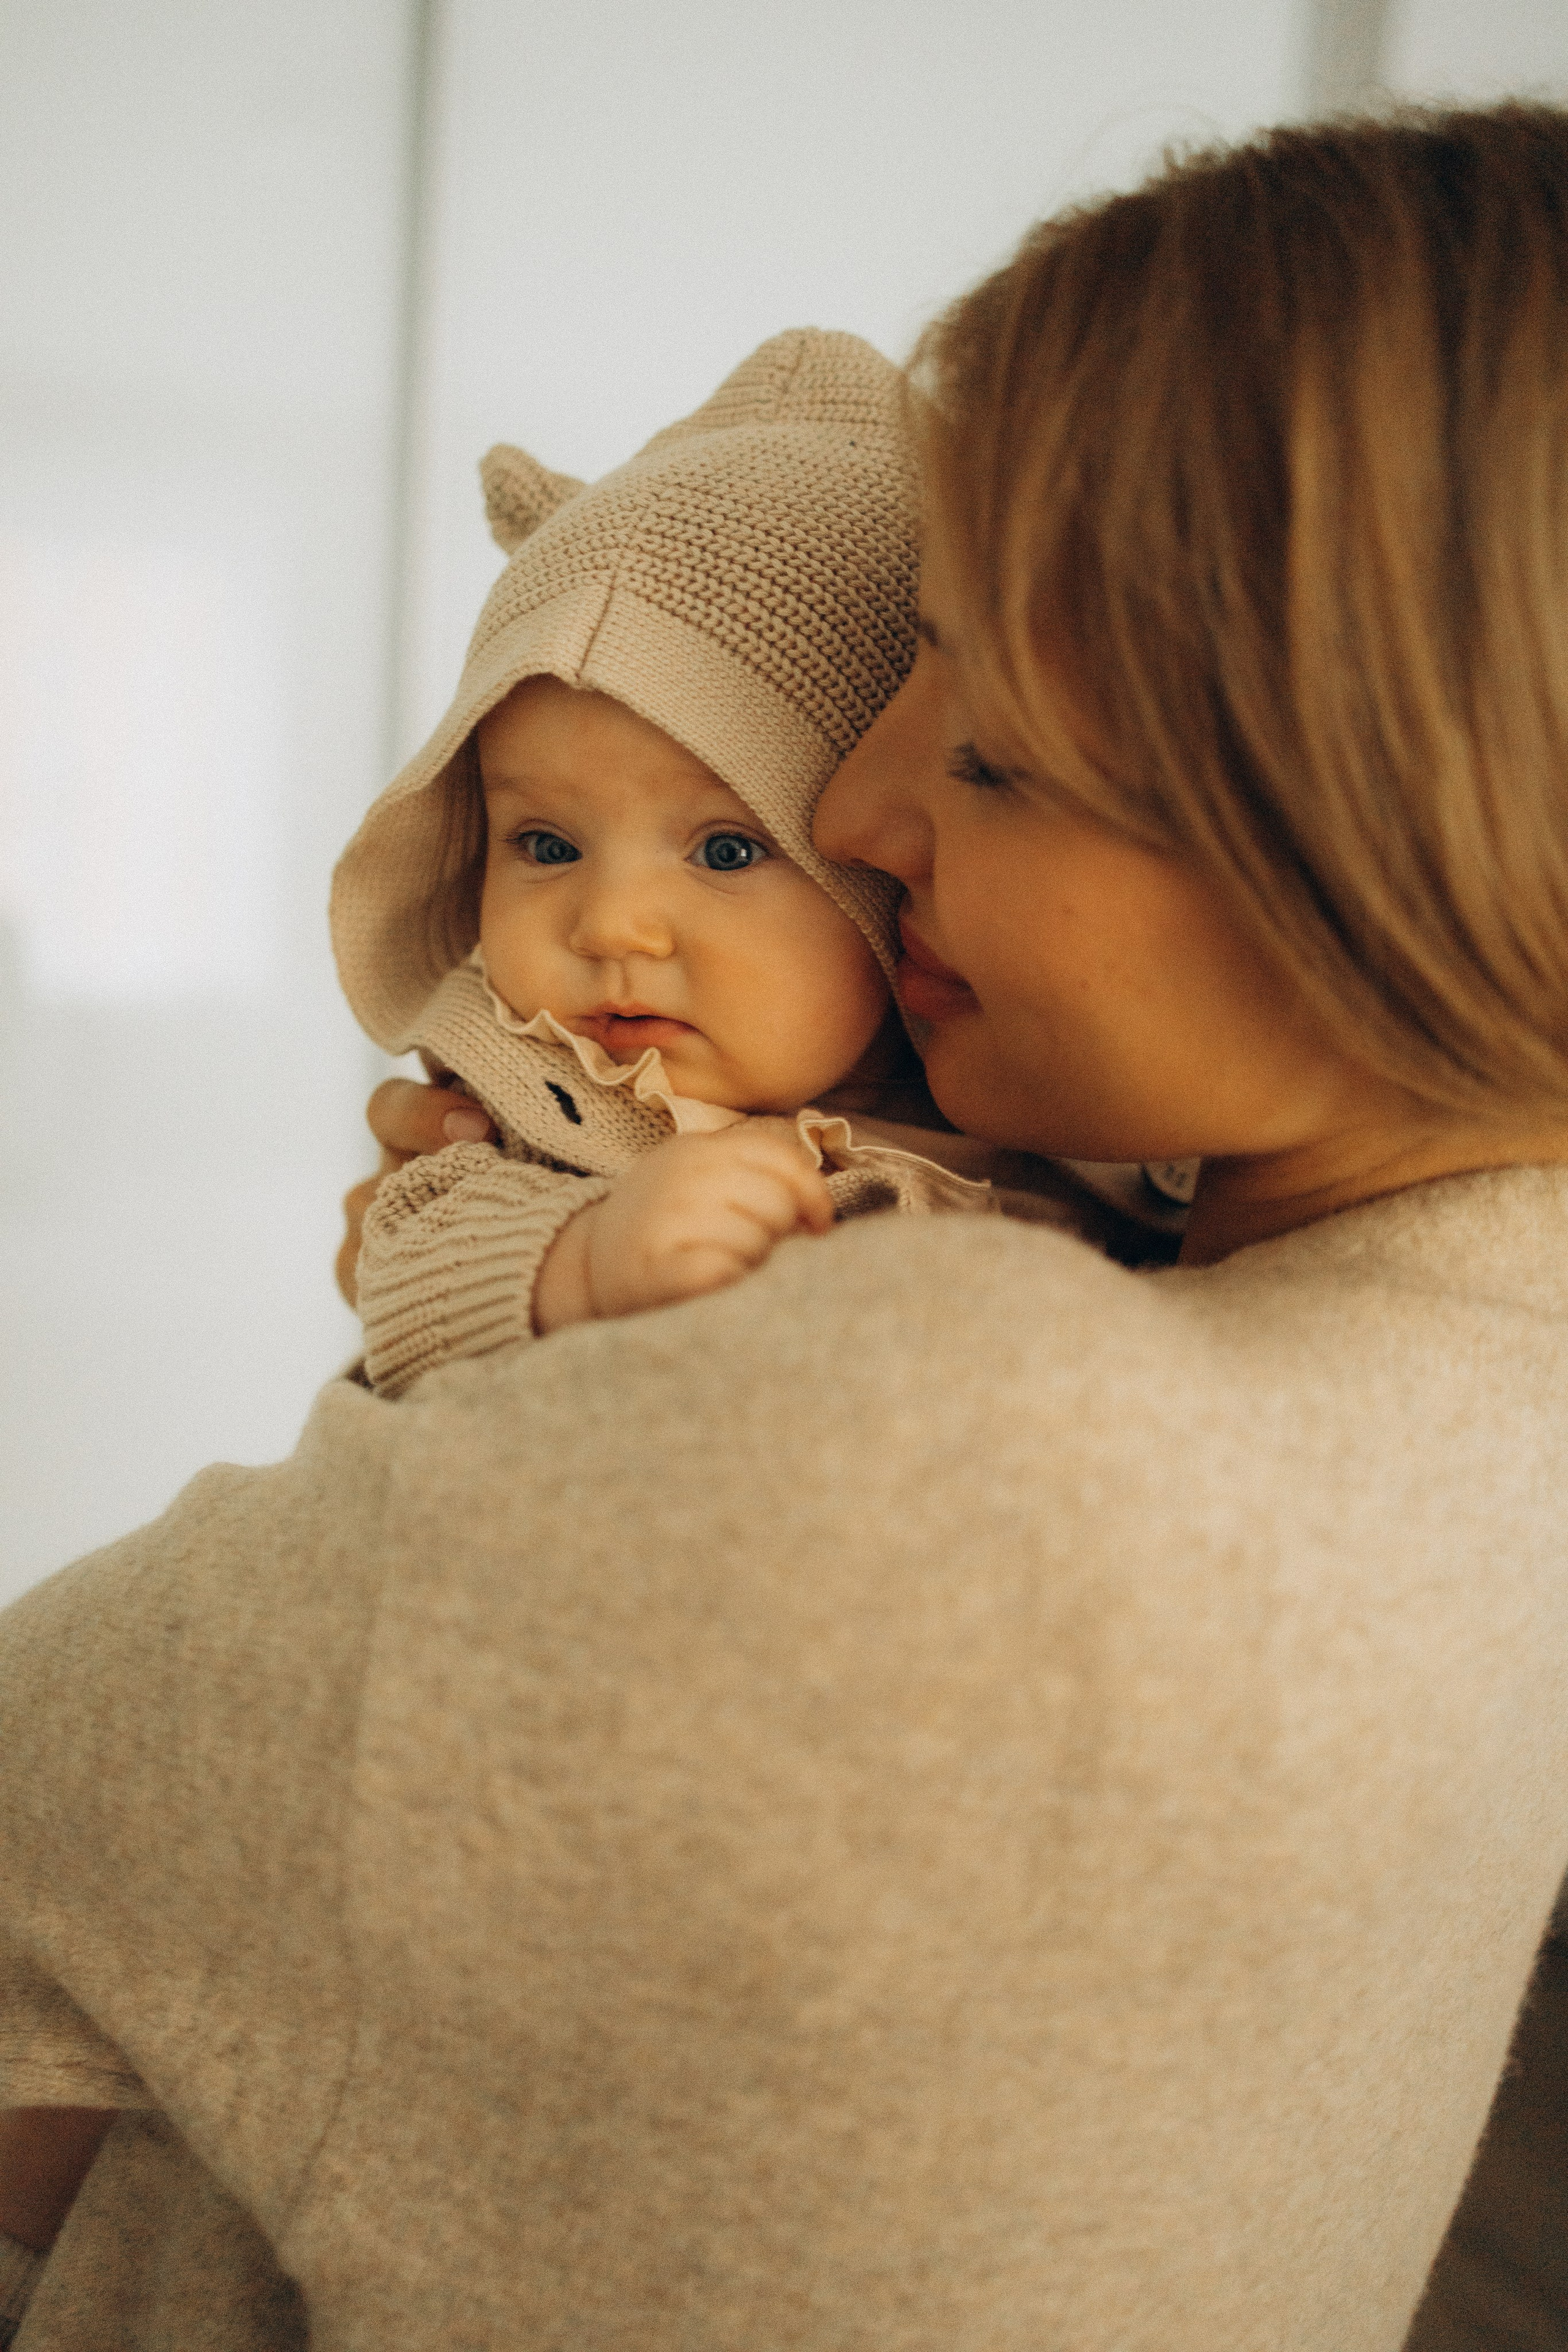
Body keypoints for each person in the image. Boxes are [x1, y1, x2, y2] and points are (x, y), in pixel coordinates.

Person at [5, 100, 1568, 2352]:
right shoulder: (1486, 1373)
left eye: (1000, 753)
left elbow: (51, 1797)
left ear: (1383, 847)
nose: (852, 807)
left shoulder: (922, 1423)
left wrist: (502, 1434)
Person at [331, 331, 1182, 1399]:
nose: (612, 927)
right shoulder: (537, 1108)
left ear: (883, 867)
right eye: (546, 845)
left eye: (728, 850)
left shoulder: (1068, 1105)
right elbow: (404, 1253)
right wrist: (582, 1256)